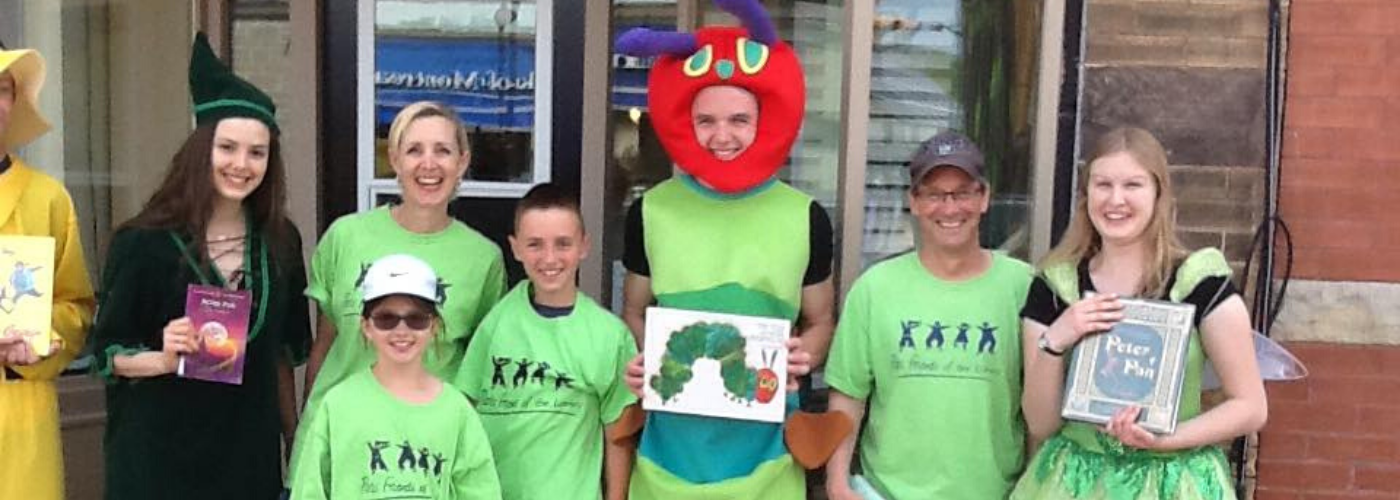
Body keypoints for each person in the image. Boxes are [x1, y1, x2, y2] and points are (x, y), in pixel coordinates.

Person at [612, 1, 849, 497]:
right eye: (707, 121)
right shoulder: (650, 211)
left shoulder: (805, 217)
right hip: (666, 461)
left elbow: (821, 320)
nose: (723, 136)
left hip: (767, 461)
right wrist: (643, 359)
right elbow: (635, 311)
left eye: (739, 119)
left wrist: (804, 356)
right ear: (686, 122)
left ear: (764, 119)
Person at [88, 33, 311, 499]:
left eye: (257, 152)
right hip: (157, 458)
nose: (241, 164)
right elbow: (108, 353)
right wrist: (162, 357)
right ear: (201, 150)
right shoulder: (142, 242)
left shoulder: (281, 242)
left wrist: (296, 442)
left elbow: (281, 358)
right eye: (227, 148)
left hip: (245, 460)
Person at [1010, 127, 1267, 500]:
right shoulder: (1055, 286)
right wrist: (1056, 340)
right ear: (1086, 195)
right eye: (1103, 185)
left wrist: (1164, 441)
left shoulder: (1198, 284)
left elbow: (1251, 407)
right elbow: (1041, 424)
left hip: (1173, 483)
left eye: (1133, 185)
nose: (1116, 200)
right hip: (1074, 483)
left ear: (1158, 194)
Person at [295, 101, 506, 484]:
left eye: (442, 150)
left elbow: (479, 368)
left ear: (462, 161)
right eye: (414, 150)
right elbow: (325, 347)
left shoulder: (483, 259)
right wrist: (308, 433)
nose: (429, 164)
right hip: (340, 449)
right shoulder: (346, 237)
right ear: (394, 159)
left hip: (424, 464)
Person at [823, 131, 1035, 500]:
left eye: (962, 193)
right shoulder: (876, 288)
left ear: (984, 198)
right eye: (935, 194)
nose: (949, 208)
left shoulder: (1024, 286)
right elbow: (848, 394)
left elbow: (1040, 406)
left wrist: (1034, 487)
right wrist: (837, 481)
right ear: (915, 202)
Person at [453, 183, 636, 500]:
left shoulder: (609, 335)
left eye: (563, 244)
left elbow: (618, 435)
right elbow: (465, 408)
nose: (549, 258)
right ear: (515, 247)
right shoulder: (497, 321)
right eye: (535, 244)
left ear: (584, 246)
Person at [291, 254, 501, 500]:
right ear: (366, 326)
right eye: (386, 319)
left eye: (416, 319)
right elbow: (310, 491)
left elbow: (479, 490)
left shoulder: (456, 410)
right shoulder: (337, 404)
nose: (401, 331)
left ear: (433, 326)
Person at [0, 42, 97, 500]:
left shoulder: (48, 198)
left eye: (1, 89)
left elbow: (76, 305)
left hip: (21, 419)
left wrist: (44, 337)